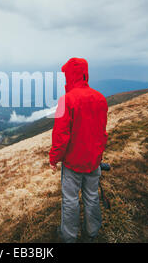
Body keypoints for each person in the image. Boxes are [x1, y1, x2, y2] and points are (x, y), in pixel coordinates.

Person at [49, 57, 108, 243]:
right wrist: (98, 155)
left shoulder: (66, 100)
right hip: (94, 160)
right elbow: (101, 132)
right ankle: (92, 233)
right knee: (92, 197)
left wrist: (54, 158)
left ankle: (69, 237)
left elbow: (60, 136)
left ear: (70, 75)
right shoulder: (100, 98)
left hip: (73, 162)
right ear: (85, 74)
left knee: (70, 200)